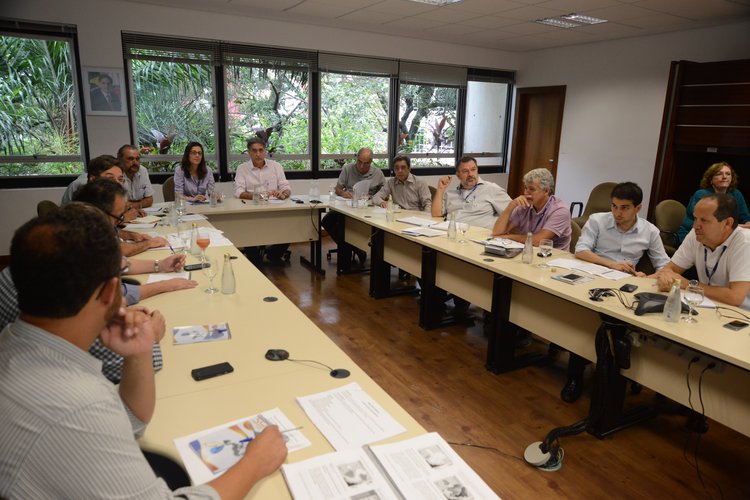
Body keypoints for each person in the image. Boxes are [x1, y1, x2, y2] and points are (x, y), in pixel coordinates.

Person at [0, 204, 288, 498]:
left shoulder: (15, 344)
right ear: (112, 292)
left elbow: (131, 420)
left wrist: (138, 353)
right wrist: (255, 463)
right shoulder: (79, 405)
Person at [562, 182, 671, 402]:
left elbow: (665, 266)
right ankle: (575, 376)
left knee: (617, 329)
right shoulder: (597, 220)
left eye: (624, 208)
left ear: (638, 208)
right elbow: (581, 251)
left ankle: (613, 376)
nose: (617, 213)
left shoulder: (650, 231)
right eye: (614, 206)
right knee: (583, 325)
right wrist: (611, 264)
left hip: (626, 287)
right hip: (594, 279)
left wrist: (647, 277)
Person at [655, 193, 750, 309]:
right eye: (695, 219)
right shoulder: (696, 235)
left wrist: (689, 284)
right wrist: (663, 276)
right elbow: (670, 269)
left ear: (727, 223)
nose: (695, 226)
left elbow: (735, 297)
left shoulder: (745, 242)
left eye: (704, 220)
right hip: (707, 305)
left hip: (741, 313)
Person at [321, 147, 385, 266]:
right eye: (359, 162)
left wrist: (372, 198)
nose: (361, 166)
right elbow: (338, 189)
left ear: (371, 162)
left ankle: (347, 257)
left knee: (346, 226)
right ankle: (355, 248)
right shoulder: (347, 169)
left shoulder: (378, 173)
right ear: (356, 158)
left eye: (365, 163)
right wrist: (343, 193)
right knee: (327, 220)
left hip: (367, 208)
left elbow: (384, 193)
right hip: (348, 205)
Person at [234, 137, 292, 263]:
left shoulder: (276, 166)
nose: (258, 154)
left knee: (291, 223)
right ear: (249, 152)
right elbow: (238, 192)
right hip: (250, 209)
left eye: (261, 150)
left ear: (265, 151)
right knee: (245, 227)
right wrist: (258, 196)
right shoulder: (242, 168)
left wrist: (283, 194)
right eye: (254, 151)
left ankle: (274, 254)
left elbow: (286, 188)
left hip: (274, 208)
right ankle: (254, 257)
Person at [491, 167, 571, 249]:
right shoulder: (524, 205)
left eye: (532, 189)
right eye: (525, 188)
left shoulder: (560, 210)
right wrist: (510, 206)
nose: (526, 193)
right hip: (528, 251)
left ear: (546, 191)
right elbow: (497, 232)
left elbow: (538, 241)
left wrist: (508, 237)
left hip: (553, 255)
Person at [676, 161, 750, 244]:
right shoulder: (702, 194)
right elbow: (707, 224)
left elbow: (746, 220)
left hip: (724, 235)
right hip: (693, 234)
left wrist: (736, 227)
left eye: (728, 174)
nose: (724, 177)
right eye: (719, 174)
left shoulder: (736, 194)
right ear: (711, 179)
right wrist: (733, 227)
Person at [432, 155, 511, 229]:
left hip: (480, 235)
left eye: (473, 170)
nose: (470, 174)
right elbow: (436, 214)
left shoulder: (492, 189)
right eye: (465, 171)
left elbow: (514, 215)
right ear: (458, 175)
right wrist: (440, 189)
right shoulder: (450, 194)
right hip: (452, 232)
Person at [118, 144, 155, 210]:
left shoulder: (142, 170)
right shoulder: (116, 174)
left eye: (137, 159)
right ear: (120, 160)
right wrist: (141, 204)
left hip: (139, 212)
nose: (135, 162)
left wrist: (131, 205)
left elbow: (149, 200)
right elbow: (117, 205)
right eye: (130, 159)